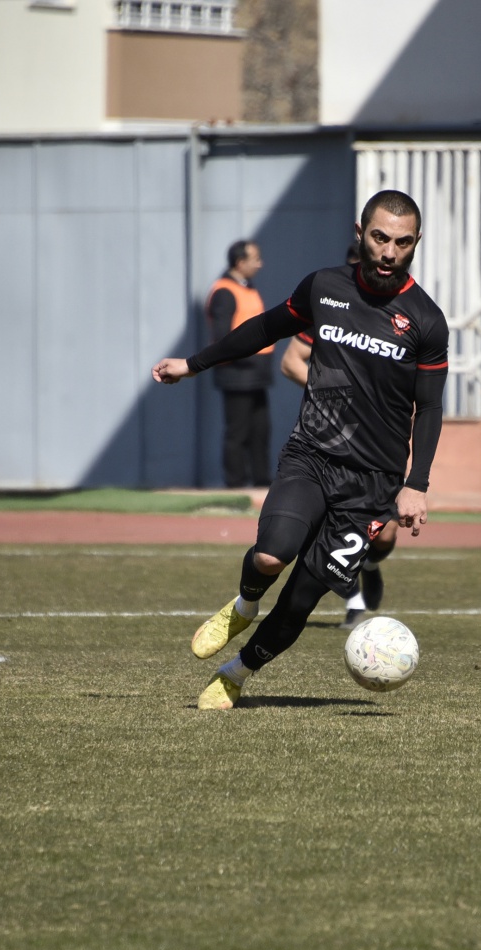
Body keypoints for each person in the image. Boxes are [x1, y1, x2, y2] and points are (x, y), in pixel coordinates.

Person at [152, 191, 448, 710]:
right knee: (270, 554)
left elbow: (429, 408)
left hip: (372, 485)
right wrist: (193, 364)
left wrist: (416, 484)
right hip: (312, 454)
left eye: (402, 243)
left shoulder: (426, 321)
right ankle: (243, 604)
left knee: (302, 599)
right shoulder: (324, 287)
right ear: (360, 232)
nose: (388, 251)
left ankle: (237, 673)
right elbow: (265, 329)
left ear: (415, 244)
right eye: (380, 237)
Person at [279, 244, 397, 630]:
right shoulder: (330, 308)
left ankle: (373, 566)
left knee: (383, 534)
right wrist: (333, 390)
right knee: (324, 528)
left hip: (381, 443)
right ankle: (355, 602)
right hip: (329, 439)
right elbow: (290, 362)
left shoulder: (399, 317)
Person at [207, 240, 276, 488]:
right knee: (238, 433)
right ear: (240, 262)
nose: (260, 264)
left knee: (261, 431)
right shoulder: (225, 291)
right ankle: (235, 484)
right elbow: (223, 338)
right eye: (255, 259)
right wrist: (249, 356)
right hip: (237, 375)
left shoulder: (247, 287)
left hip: (257, 376)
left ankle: (261, 481)